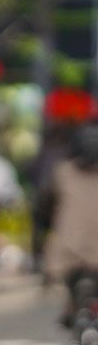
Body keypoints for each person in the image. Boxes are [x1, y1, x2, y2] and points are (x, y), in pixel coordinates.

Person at [42, 120, 98, 326]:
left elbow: (45, 206)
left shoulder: (63, 172)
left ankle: (72, 308)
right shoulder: (63, 173)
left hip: (68, 254)